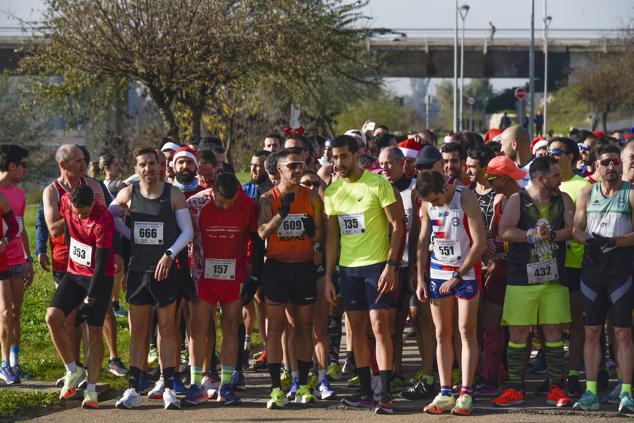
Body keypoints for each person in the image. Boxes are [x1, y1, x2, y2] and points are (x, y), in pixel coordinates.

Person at [323, 135, 405, 415]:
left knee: (380, 326)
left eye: (343, 157)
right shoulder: (332, 192)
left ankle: (386, 393)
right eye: (334, 158)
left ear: (357, 155)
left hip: (377, 266)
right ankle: (366, 392)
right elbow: (333, 236)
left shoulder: (378, 184)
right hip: (348, 269)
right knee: (355, 329)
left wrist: (391, 265)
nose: (339, 163)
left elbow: (398, 226)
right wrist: (329, 277)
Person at [111, 148, 193, 410]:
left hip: (165, 271)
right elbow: (107, 216)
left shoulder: (173, 194)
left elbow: (188, 232)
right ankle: (134, 387)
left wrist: (169, 254)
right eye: (142, 164)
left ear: (161, 166)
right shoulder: (128, 194)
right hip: (138, 271)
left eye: (152, 164)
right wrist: (129, 234)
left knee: (167, 327)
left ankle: (168, 385)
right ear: (135, 169)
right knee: (138, 330)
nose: (148, 169)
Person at [493, 156, 574, 408]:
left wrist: (553, 234)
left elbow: (573, 228)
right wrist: (530, 235)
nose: (560, 179)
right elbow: (504, 231)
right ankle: (515, 388)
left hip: (554, 277)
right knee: (518, 333)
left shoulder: (564, 199)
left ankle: (556, 387)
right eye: (556, 175)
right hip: (521, 277)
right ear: (541, 179)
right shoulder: (518, 199)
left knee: (553, 332)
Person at [186, 173, 264, 406]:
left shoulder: (248, 205)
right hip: (202, 274)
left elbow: (257, 241)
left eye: (230, 203)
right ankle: (196, 383)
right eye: (220, 202)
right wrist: (183, 276)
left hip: (234, 274)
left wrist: (255, 276)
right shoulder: (196, 204)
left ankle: (227, 384)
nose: (225, 206)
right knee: (198, 328)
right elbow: (183, 237)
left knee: (231, 326)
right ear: (213, 192)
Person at [415, 171, 486, 416]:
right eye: (430, 202)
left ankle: (466, 392)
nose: (433, 204)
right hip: (438, 271)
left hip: (465, 272)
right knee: (442, 332)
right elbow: (423, 241)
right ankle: (445, 392)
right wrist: (419, 278)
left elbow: (480, 243)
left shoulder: (465, 197)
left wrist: (458, 275)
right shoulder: (426, 202)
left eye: (435, 199)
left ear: (445, 187)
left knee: (466, 330)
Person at [257, 148, 324, 409]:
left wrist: (312, 232)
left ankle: (304, 384)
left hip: (303, 267)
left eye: (301, 165)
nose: (298, 170)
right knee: (275, 328)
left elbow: (319, 235)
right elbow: (262, 232)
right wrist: (281, 215)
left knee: (304, 327)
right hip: (276, 268)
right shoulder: (267, 198)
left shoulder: (312, 197)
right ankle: (276, 388)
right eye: (293, 165)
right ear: (279, 170)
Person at [572, 144, 634, 413]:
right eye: (606, 163)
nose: (611, 167)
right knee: (591, 332)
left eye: (615, 163)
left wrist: (616, 241)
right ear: (596, 166)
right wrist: (587, 239)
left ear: (621, 165)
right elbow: (576, 228)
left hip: (621, 271)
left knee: (622, 332)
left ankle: (628, 393)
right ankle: (591, 392)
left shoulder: (630, 193)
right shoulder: (587, 193)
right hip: (593, 272)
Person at [45, 184, 115, 408]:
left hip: (99, 278)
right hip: (74, 273)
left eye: (84, 212)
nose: (80, 216)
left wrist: (90, 300)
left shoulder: (103, 220)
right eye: (77, 211)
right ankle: (73, 371)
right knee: (52, 317)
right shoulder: (66, 201)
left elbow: (102, 264)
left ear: (94, 202)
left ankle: (92, 390)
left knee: (94, 332)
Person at [475, 156, 524, 397]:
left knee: (517, 327)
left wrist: (496, 244)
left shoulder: (524, 200)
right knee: (492, 322)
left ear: (503, 179)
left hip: (518, 271)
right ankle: (493, 376)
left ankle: (511, 380)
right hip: (499, 270)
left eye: (492, 179)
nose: (489, 184)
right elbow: (494, 235)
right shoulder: (500, 200)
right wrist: (488, 243)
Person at [547, 138, 590, 398]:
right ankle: (555, 376)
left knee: (575, 322)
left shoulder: (582, 186)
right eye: (549, 151)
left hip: (576, 264)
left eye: (557, 152)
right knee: (551, 324)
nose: (552, 155)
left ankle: (573, 374)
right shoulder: (544, 184)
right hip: (548, 263)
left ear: (572, 157)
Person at [378, 146, 415, 391]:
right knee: (384, 322)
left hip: (407, 263)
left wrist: (414, 267)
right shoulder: (377, 187)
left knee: (400, 323)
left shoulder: (414, 190)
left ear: (403, 163)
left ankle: (399, 369)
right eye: (382, 163)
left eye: (390, 162)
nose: (386, 168)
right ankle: (384, 371)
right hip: (383, 264)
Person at [0, 145, 32, 383]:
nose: (25, 170)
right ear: (11, 166)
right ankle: (3, 364)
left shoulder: (19, 194)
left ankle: (14, 362)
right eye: (23, 165)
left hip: (18, 260)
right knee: (5, 312)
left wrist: (28, 258)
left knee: (16, 312)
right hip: (2, 262)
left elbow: (19, 228)